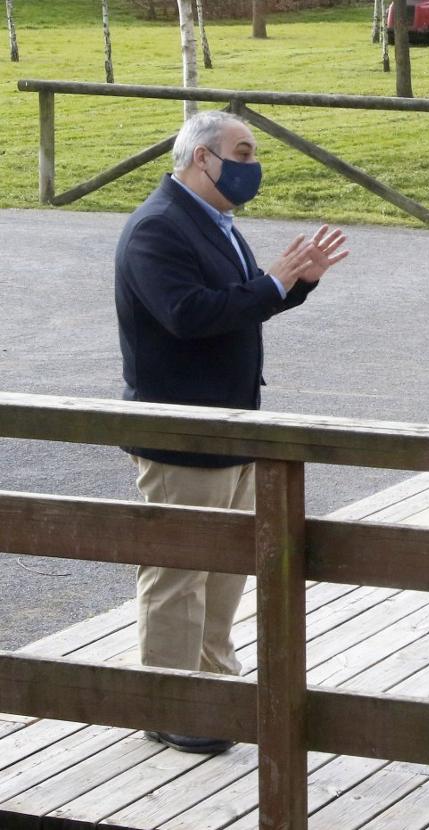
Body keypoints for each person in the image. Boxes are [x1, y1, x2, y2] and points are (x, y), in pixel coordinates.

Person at [115, 110, 349, 754]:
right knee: (178, 571)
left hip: (232, 426)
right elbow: (188, 316)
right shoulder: (158, 228)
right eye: (242, 151)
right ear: (200, 159)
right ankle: (169, 703)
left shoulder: (215, 221)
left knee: (224, 571)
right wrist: (274, 280)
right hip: (182, 434)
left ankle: (216, 686)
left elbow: (241, 300)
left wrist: (292, 286)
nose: (252, 164)